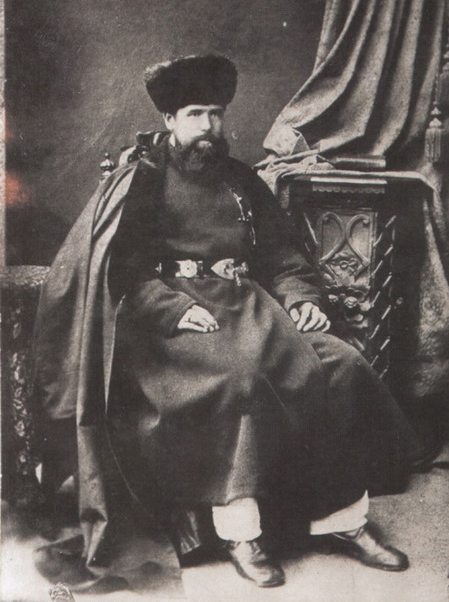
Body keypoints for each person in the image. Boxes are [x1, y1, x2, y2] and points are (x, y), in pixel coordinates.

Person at [34, 54, 421, 593]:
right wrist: (172, 309)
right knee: (238, 381)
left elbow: (283, 256)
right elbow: (121, 274)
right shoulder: (142, 181)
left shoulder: (242, 180)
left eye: (215, 114)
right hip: (172, 325)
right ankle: (242, 535)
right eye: (195, 114)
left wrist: (301, 298)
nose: (208, 127)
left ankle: (344, 521)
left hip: (250, 307)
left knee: (341, 363)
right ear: (170, 120)